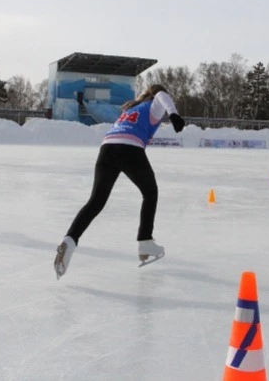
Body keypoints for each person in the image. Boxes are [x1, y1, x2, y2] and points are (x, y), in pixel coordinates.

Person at [53, 84, 185, 279]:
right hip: (129, 148)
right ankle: (145, 239)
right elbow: (162, 96)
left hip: (107, 148)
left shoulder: (133, 108)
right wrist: (174, 114)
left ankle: (69, 241)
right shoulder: (153, 104)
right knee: (150, 193)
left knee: (96, 201)